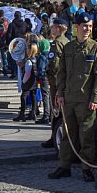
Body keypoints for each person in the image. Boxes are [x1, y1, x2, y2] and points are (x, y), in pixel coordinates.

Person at [48, 12, 97, 183]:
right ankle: (64, 166)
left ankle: (87, 168)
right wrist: (59, 92)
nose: (87, 29)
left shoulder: (95, 48)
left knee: (86, 136)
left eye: (90, 26)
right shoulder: (69, 48)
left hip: (86, 100)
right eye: (84, 26)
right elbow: (62, 73)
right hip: (69, 99)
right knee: (68, 134)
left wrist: (95, 98)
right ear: (77, 28)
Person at [42, 18, 70, 147]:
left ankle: (55, 136)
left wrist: (49, 73)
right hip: (64, 80)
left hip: (56, 80)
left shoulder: (56, 43)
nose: (51, 29)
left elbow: (54, 63)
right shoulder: (67, 41)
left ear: (58, 28)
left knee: (56, 110)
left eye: (53, 27)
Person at [12, 38, 38, 122]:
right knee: (33, 96)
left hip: (28, 82)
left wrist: (23, 81)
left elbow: (27, 73)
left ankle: (22, 114)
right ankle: (33, 112)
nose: (26, 50)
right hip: (34, 81)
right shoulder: (35, 59)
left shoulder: (29, 60)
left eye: (28, 49)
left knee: (23, 96)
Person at [35, 38, 51, 124]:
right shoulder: (51, 54)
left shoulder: (42, 57)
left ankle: (46, 115)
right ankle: (51, 115)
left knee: (45, 96)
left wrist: (38, 77)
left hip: (44, 78)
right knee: (49, 96)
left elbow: (41, 69)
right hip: (50, 78)